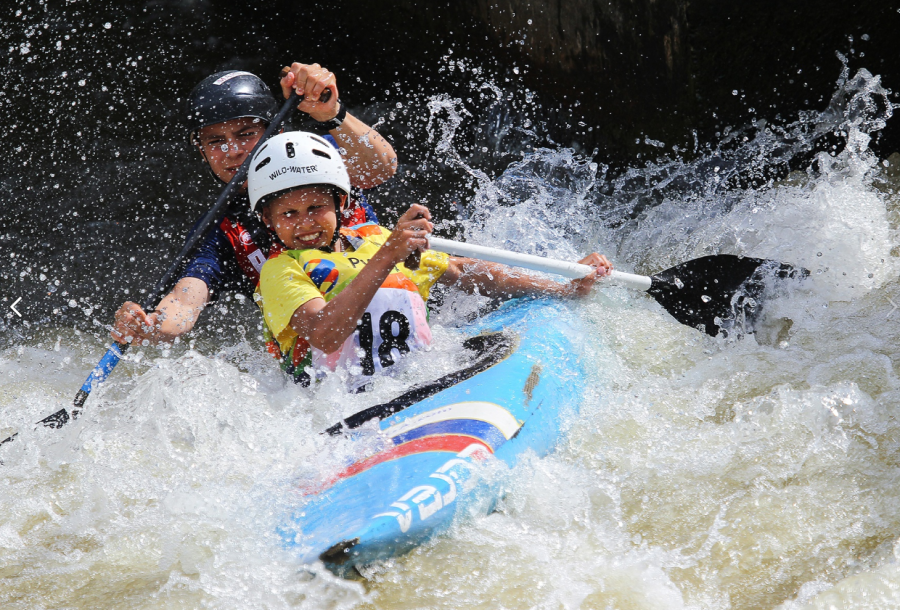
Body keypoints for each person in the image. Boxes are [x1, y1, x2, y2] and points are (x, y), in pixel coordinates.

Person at [250, 132, 612, 389]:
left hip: (416, 383)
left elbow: (469, 272)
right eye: (289, 214)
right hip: (331, 403)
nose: (306, 223)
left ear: (340, 203)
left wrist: (564, 289)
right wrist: (389, 255)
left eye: (316, 207)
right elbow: (324, 335)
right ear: (268, 219)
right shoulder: (280, 269)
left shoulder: (374, 238)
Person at [111, 63, 398, 345]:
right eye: (216, 141)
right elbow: (184, 303)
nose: (233, 152)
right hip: (319, 355)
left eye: (246, 134)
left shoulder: (318, 157)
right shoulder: (221, 229)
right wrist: (150, 326)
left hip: (398, 315)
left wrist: (331, 113)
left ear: (277, 131)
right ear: (201, 150)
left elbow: (381, 168)